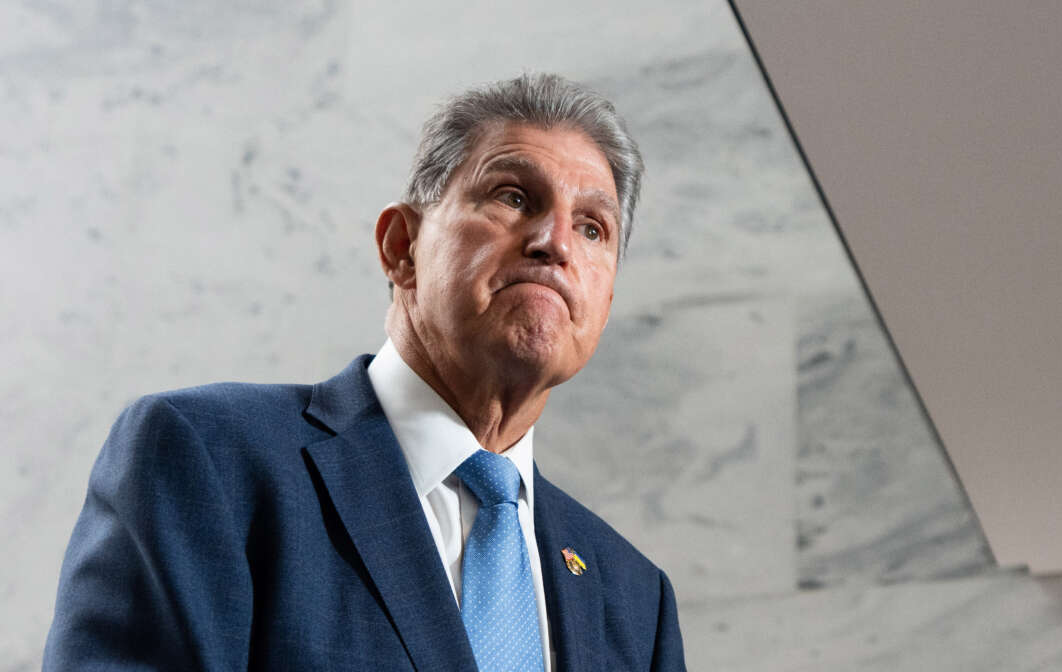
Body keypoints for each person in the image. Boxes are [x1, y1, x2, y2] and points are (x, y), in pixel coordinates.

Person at [43, 73, 686, 671]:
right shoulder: (210, 459)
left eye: (593, 228)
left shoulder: (634, 600)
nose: (556, 243)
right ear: (401, 247)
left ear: (604, 305)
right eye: (513, 197)